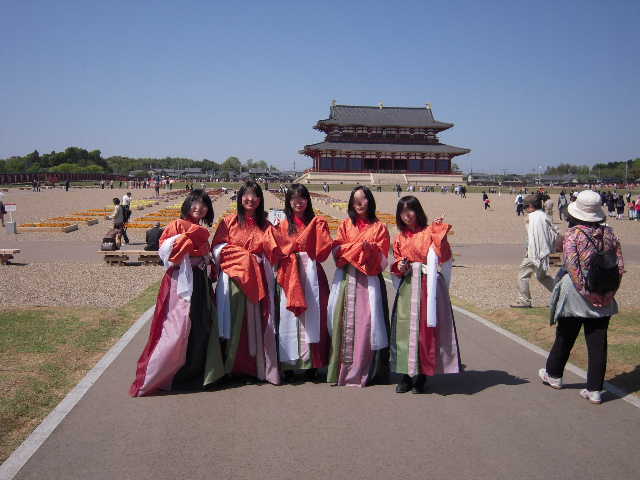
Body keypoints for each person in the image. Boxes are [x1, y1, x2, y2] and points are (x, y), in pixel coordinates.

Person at [130, 190, 223, 396]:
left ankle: (196, 371)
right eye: (195, 203)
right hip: (180, 280)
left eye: (204, 204)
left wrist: (207, 259)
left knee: (200, 325)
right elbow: (165, 253)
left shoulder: (201, 228)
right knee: (178, 326)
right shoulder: (176, 225)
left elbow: (205, 254)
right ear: (188, 205)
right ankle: (169, 373)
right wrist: (186, 242)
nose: (200, 208)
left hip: (200, 280)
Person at [539, 190, 624, 404]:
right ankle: (595, 389)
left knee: (566, 335)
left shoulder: (573, 234)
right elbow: (619, 267)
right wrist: (607, 294)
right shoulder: (610, 233)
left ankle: (554, 374)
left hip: (578, 291)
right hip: (604, 288)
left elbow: (573, 267)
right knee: (598, 341)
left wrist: (587, 293)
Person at [210, 180, 287, 385]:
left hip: (260, 278)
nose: (250, 199)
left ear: (260, 199)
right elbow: (217, 248)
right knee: (235, 321)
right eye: (246, 195)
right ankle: (230, 367)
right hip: (234, 279)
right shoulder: (228, 222)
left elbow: (276, 250)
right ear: (240, 198)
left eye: (254, 195)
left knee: (259, 321)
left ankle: (257, 368)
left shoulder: (267, 224)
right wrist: (243, 258)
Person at [390, 196, 461, 394]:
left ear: (418, 211)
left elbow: (444, 255)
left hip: (427, 285)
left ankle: (421, 374)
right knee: (404, 329)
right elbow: (395, 262)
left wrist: (440, 234)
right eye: (403, 211)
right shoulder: (400, 237)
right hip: (408, 286)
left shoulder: (429, 232)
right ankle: (405, 374)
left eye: (410, 210)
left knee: (424, 331)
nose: (407, 215)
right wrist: (400, 265)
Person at [327, 186, 391, 387]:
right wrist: (358, 248)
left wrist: (369, 250)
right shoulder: (346, 225)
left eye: (364, 199)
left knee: (369, 323)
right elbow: (337, 250)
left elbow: (383, 259)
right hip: (347, 279)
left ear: (370, 201)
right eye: (356, 200)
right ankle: (342, 368)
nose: (360, 203)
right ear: (351, 203)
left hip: (370, 281)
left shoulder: (380, 227)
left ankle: (371, 369)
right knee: (344, 320)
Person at [276, 184, 333, 382]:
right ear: (288, 202)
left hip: (312, 272)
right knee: (287, 316)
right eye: (294, 198)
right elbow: (277, 249)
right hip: (290, 273)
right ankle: (289, 362)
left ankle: (313, 363)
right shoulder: (283, 225)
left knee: (315, 314)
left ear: (307, 201)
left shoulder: (317, 223)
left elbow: (324, 251)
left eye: (302, 198)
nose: (298, 202)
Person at [510, 195, 558, 308]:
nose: (525, 209)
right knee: (542, 277)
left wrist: (532, 253)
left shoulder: (532, 217)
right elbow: (554, 232)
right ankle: (561, 295)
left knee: (523, 274)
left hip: (535, 253)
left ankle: (524, 300)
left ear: (531, 206)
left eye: (526, 206)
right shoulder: (544, 216)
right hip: (543, 252)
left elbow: (534, 237)